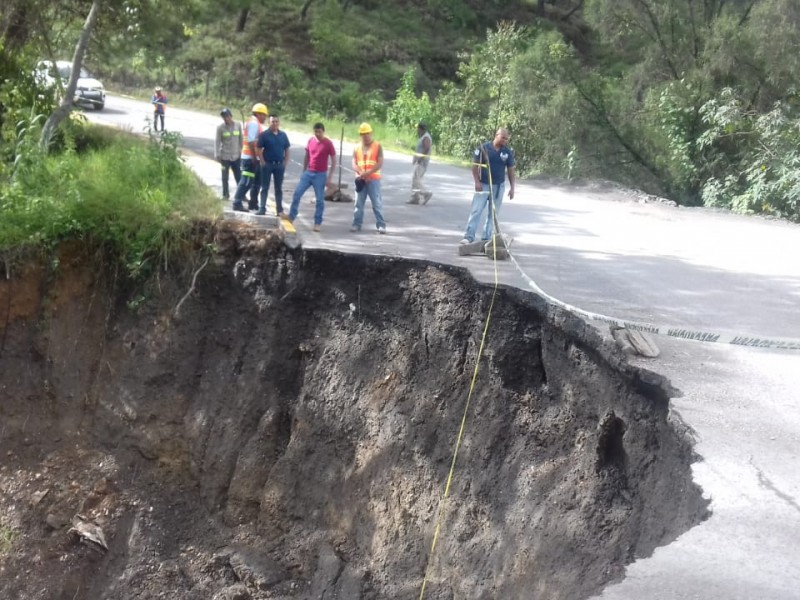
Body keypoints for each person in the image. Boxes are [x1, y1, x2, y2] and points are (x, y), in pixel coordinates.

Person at [461, 128, 516, 244]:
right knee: (476, 210)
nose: (505, 141)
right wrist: (477, 182)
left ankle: (486, 238)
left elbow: (511, 170)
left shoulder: (507, 152)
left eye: (506, 139)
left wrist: (512, 188)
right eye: (503, 138)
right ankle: (469, 236)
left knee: (493, 214)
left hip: (498, 187)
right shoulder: (484, 148)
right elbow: (475, 166)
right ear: (496, 135)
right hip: (483, 184)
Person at [287, 122, 337, 232]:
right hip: (308, 172)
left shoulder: (328, 143)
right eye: (316, 132)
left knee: (319, 200)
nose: (317, 134)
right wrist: (304, 171)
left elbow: (334, 161)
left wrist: (330, 177)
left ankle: (317, 223)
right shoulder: (311, 140)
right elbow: (307, 156)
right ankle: (292, 215)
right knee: (297, 194)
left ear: (323, 132)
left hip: (320, 175)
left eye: (319, 132)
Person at [232, 102, 269, 212]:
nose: (265, 118)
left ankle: (247, 203)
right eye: (264, 115)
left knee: (249, 181)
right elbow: (251, 141)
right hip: (249, 158)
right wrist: (254, 157)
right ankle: (237, 202)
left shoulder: (253, 122)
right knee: (246, 182)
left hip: (249, 157)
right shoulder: (254, 123)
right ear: (259, 114)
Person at [351, 122, 387, 234]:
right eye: (363, 134)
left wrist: (369, 173)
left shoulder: (377, 146)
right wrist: (361, 173)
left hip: (373, 179)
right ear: (360, 135)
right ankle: (356, 224)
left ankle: (381, 225)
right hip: (361, 179)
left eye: (367, 133)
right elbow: (353, 163)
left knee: (376, 203)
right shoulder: (356, 148)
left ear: (371, 133)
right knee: (358, 203)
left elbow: (380, 162)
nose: (365, 136)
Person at [256, 115, 291, 217]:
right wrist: (262, 162)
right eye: (272, 122)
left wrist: (285, 163)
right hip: (267, 164)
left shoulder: (283, 135)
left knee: (278, 188)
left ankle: (279, 210)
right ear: (269, 123)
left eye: (276, 121)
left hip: (279, 165)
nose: (274, 123)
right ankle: (262, 208)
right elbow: (259, 149)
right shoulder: (264, 135)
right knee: (264, 187)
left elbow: (287, 149)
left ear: (279, 123)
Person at [215, 108, 242, 201]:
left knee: (239, 176)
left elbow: (241, 140)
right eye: (224, 117)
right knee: (224, 177)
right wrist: (217, 154)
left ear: (231, 116)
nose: (226, 118)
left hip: (236, 156)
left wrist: (242, 152)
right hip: (225, 156)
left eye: (227, 116)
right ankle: (225, 195)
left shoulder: (238, 125)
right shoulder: (220, 128)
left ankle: (241, 195)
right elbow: (217, 141)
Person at [408, 122, 433, 205]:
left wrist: (420, 159)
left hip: (422, 162)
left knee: (416, 179)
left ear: (420, 129)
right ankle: (415, 198)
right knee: (415, 179)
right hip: (419, 161)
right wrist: (415, 159)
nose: (417, 130)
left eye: (417, 128)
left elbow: (426, 148)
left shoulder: (426, 137)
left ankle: (426, 193)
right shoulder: (422, 137)